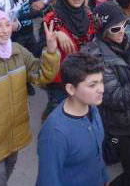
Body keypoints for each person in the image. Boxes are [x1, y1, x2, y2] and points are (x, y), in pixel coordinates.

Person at [0, 10, 61, 186]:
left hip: (16, 127)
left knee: (10, 164)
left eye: (7, 24)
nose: (5, 30)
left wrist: (51, 52)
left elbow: (41, 76)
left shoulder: (18, 51)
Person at [83, 1, 130, 186]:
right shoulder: (96, 57)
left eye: (125, 24)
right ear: (103, 30)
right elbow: (115, 98)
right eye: (115, 28)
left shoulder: (128, 40)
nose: (122, 31)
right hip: (117, 124)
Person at [36, 52, 109, 186]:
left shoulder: (92, 108)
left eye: (101, 81)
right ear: (71, 89)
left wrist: (104, 179)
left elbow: (97, 156)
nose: (101, 89)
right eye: (92, 85)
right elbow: (48, 180)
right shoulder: (55, 133)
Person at [42, 0, 96, 119]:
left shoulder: (89, 15)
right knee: (57, 110)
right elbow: (46, 34)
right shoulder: (53, 18)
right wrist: (57, 32)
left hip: (80, 73)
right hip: (59, 77)